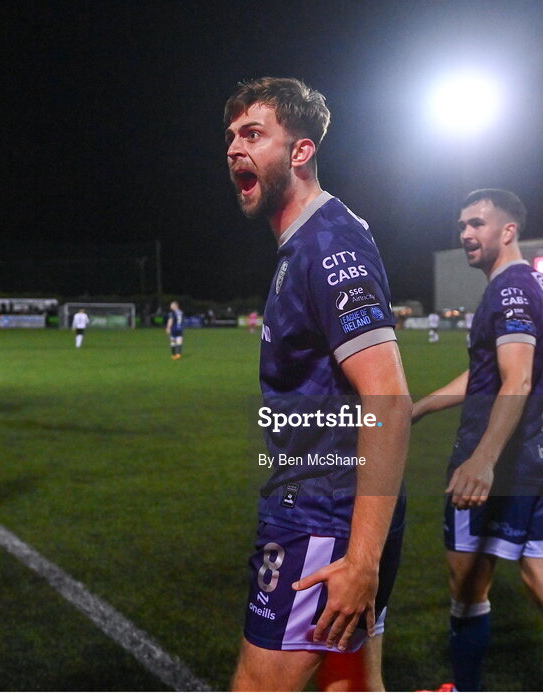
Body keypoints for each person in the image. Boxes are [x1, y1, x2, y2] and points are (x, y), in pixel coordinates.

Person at [225, 76, 411, 691]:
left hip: (322, 517)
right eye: (231, 137)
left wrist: (360, 560)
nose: (234, 149)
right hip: (329, 511)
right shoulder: (304, 244)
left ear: (300, 152)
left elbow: (388, 398)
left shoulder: (329, 246)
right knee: (349, 688)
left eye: (253, 134)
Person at [412, 189, 543, 691]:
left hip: (502, 469)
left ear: (508, 231)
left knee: (468, 590)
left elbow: (516, 380)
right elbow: (492, 373)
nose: (465, 235)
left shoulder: (510, 289)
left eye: (477, 224)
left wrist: (482, 459)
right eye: (461, 226)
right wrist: (422, 406)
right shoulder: (536, 285)